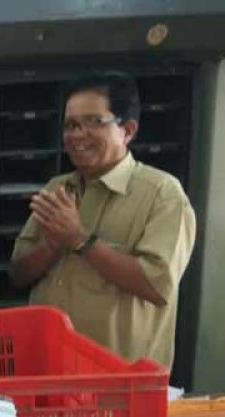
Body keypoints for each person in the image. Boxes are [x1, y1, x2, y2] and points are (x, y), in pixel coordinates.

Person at [10, 71, 195, 369]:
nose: (78, 135)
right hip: (46, 367)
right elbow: (18, 273)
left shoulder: (163, 195)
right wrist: (51, 245)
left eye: (94, 122)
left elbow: (157, 285)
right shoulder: (58, 188)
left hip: (117, 384)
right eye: (71, 125)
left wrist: (80, 240)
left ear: (128, 130)